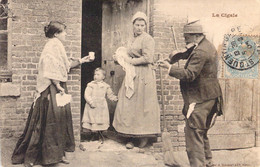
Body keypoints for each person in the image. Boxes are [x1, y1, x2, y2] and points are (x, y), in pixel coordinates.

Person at [11, 21, 93, 167]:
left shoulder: (57, 45)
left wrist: (81, 60)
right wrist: (57, 85)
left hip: (57, 86)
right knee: (51, 121)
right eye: (64, 32)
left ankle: (57, 154)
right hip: (52, 88)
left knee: (59, 121)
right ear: (56, 34)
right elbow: (49, 67)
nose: (66, 34)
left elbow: (63, 65)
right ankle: (47, 157)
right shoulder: (52, 45)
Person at [158, 20, 223, 167]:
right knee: (201, 134)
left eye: (186, 37)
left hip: (199, 99)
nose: (184, 40)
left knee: (193, 136)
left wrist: (169, 68)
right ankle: (207, 163)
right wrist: (176, 56)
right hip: (210, 97)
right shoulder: (206, 44)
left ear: (194, 36)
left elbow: (189, 74)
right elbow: (191, 53)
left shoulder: (200, 51)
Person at [112, 12, 161, 149]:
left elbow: (148, 58)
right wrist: (119, 58)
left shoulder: (148, 39)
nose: (139, 28)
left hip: (144, 75)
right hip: (132, 75)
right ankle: (130, 136)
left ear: (145, 26)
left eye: (142, 25)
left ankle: (143, 138)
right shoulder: (132, 39)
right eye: (137, 25)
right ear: (133, 25)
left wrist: (130, 61)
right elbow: (128, 55)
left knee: (142, 106)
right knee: (129, 105)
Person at [82, 68, 118, 144]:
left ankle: (99, 134)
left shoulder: (106, 86)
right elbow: (87, 95)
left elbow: (110, 95)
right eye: (95, 74)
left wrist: (114, 98)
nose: (95, 76)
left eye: (98, 74)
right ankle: (93, 135)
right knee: (93, 119)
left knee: (100, 120)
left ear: (103, 77)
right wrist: (91, 102)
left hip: (101, 106)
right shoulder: (91, 85)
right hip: (92, 106)